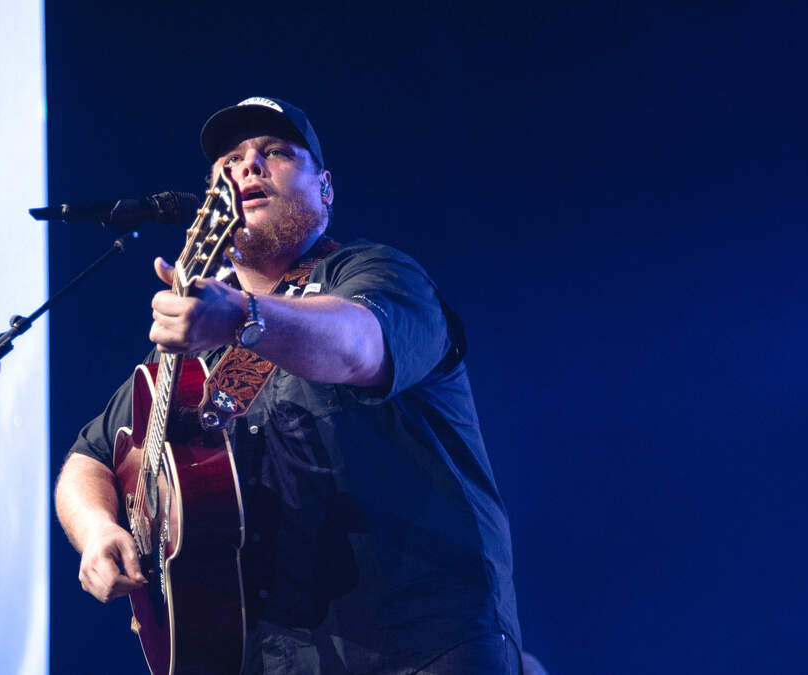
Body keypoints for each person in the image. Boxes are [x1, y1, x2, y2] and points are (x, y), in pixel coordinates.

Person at [55, 96, 522, 674]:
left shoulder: (376, 273)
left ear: (325, 189)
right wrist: (98, 530)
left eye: (275, 152)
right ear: (211, 204)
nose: (249, 165)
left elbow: (360, 346)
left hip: (421, 646)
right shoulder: (187, 348)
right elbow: (90, 457)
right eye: (230, 161)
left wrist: (242, 317)